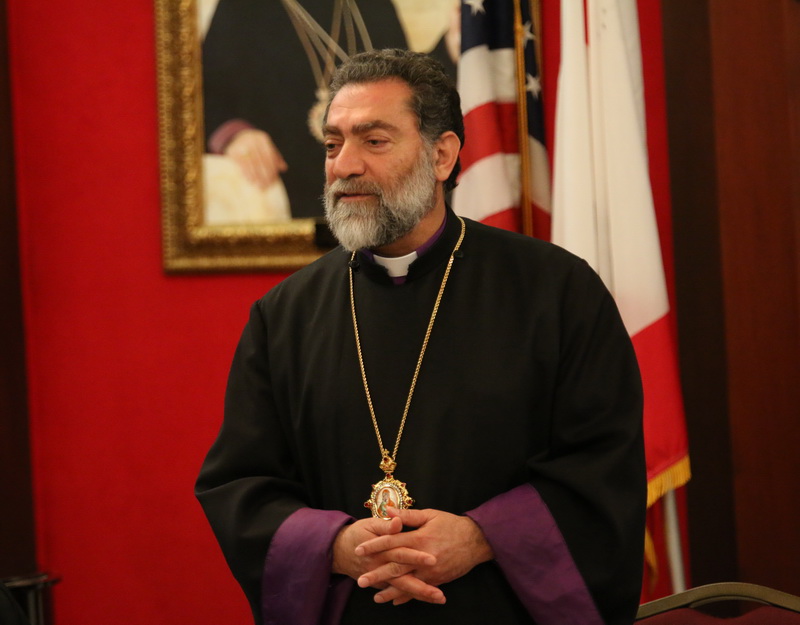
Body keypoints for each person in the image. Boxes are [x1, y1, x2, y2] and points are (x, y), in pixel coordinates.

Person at [196, 49, 646, 625]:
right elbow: (241, 486)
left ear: (442, 155)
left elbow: (604, 468)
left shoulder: (557, 292)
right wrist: (335, 545)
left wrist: (484, 536)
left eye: (374, 141)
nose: (344, 165)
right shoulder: (283, 316)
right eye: (332, 144)